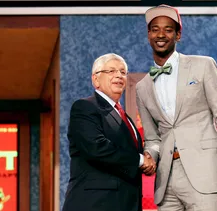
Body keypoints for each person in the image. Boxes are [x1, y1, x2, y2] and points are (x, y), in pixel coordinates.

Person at [136, 5, 217, 211]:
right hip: (166, 179)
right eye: (155, 29)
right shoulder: (142, 87)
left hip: (204, 171)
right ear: (149, 34)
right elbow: (152, 138)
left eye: (168, 29)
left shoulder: (203, 65)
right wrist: (149, 157)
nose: (161, 34)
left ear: (178, 35)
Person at [62, 53, 156, 211]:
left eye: (122, 72)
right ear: (95, 79)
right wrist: (140, 160)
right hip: (95, 204)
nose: (118, 75)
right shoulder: (85, 107)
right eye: (111, 71)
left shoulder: (126, 118)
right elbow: (96, 147)